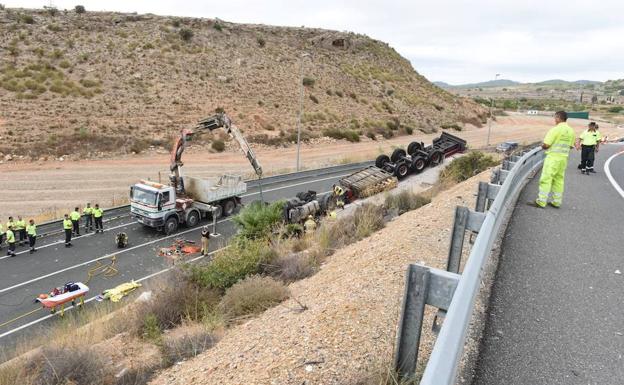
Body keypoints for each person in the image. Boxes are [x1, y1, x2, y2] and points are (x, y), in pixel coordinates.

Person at [532, 111, 576, 208]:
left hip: (552, 158)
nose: (554, 120)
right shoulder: (571, 131)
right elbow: (571, 146)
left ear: (558, 118)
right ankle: (556, 202)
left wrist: (543, 146)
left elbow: (547, 145)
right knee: (559, 180)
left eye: (555, 118)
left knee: (546, 179)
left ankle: (541, 201)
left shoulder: (555, 130)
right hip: (563, 159)